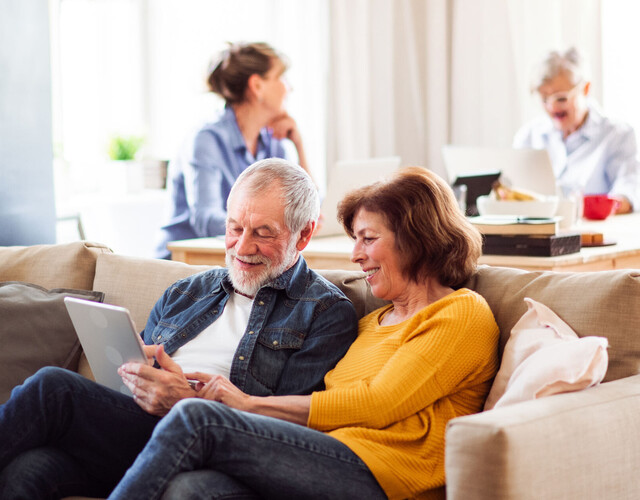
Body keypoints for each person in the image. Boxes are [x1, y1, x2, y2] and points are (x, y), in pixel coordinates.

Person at [108, 167, 500, 500]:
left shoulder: (461, 313)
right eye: (355, 239)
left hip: (385, 477)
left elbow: (378, 404)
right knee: (192, 488)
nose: (355, 254)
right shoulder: (371, 325)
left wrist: (245, 405)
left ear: (416, 239)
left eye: (368, 238)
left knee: (198, 416)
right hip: (321, 457)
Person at [0, 158, 357, 499]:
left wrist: (185, 400)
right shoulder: (187, 291)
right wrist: (135, 376)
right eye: (234, 228)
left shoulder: (325, 312)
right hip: (135, 429)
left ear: (304, 234)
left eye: (263, 233)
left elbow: (281, 432)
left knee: (53, 386)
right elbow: (132, 371)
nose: (242, 247)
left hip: (210, 447)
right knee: (30, 470)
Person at [155, 41, 311, 258]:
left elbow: (310, 210)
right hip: (186, 263)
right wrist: (266, 228)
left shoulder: (273, 143)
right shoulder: (206, 140)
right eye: (281, 78)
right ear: (257, 86)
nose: (289, 87)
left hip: (242, 259)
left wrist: (299, 145)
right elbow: (205, 219)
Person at [513, 47, 640, 214]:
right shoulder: (528, 136)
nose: (552, 107)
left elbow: (629, 194)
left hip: (594, 233)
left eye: (561, 98)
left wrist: (587, 208)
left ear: (585, 89)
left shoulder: (618, 134)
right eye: (544, 99)